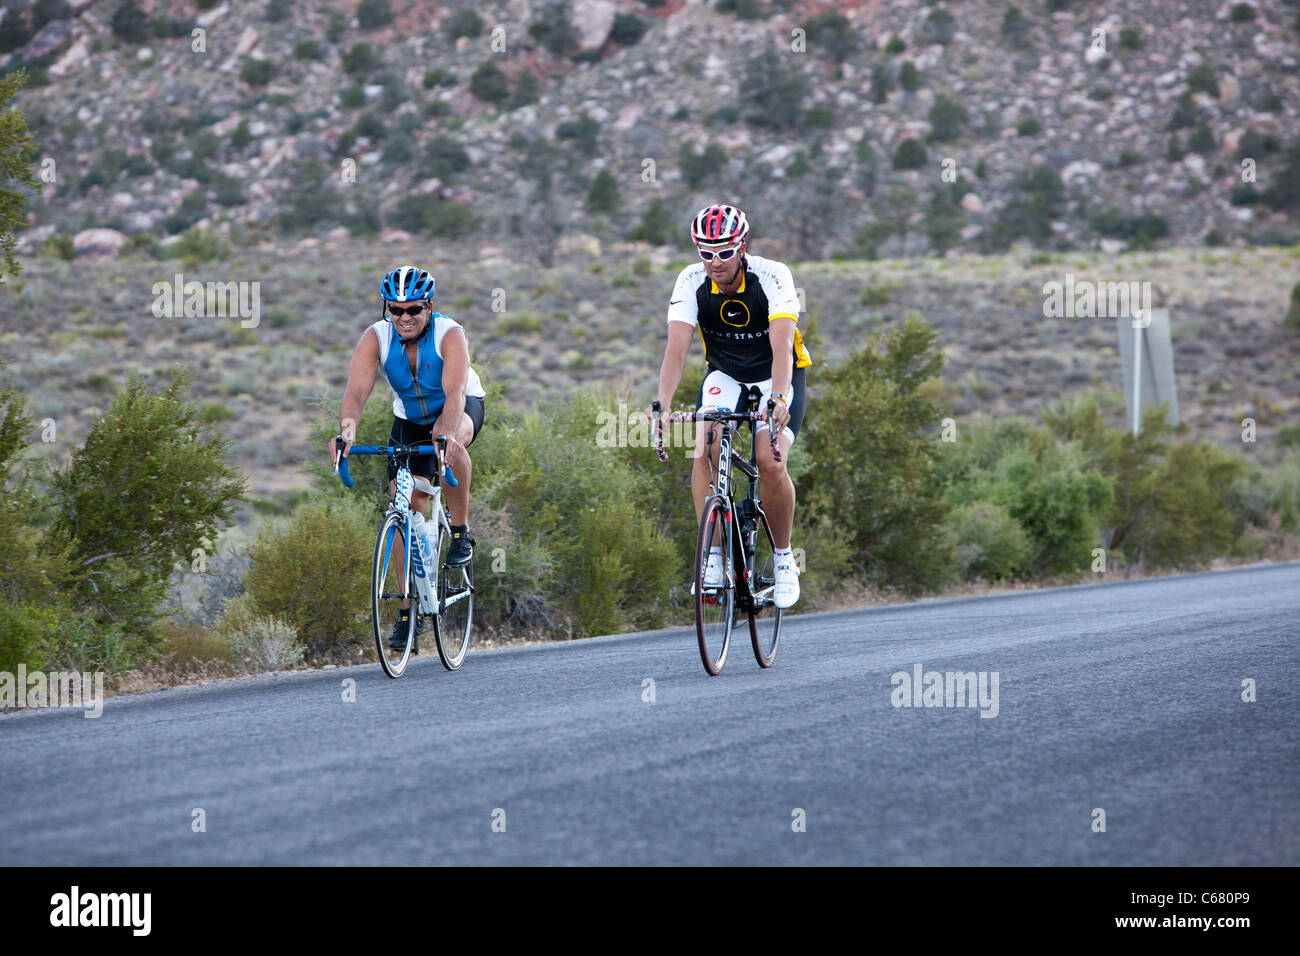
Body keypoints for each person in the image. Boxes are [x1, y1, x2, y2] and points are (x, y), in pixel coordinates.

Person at [645, 204, 811, 609]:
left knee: (769, 462)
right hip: (725, 374)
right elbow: (676, 349)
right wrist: (662, 406)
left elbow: (782, 347)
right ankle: (714, 557)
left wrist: (777, 398)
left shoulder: (772, 275)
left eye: (723, 251)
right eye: (705, 252)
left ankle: (785, 559)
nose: (714, 262)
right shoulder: (690, 281)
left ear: (742, 246)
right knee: (706, 446)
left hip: (776, 372)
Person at [329, 265, 486, 646]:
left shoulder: (450, 334)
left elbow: (455, 396)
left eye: (413, 309)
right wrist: (346, 435)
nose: (404, 318)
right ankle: (407, 611)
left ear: (428, 307)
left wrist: (446, 435)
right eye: (395, 310)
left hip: (459, 408)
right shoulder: (376, 337)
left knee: (451, 443)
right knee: (404, 505)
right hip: (409, 420)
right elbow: (355, 394)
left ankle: (462, 533)